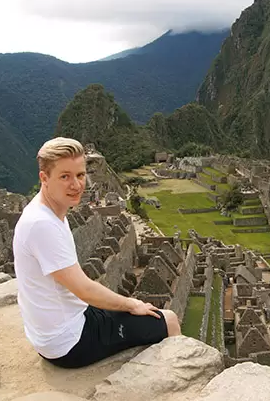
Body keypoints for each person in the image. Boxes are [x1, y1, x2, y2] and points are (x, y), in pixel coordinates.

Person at [13, 137, 181, 369]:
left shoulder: (45, 211)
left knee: (139, 313)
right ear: (44, 178)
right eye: (65, 176)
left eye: (80, 175)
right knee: (169, 320)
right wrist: (131, 304)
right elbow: (84, 289)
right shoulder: (42, 225)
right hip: (69, 342)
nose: (76, 184)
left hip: (60, 327)